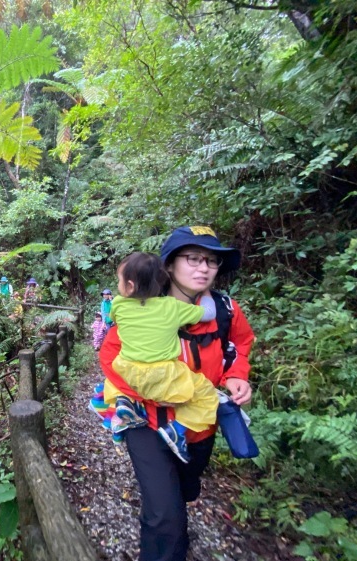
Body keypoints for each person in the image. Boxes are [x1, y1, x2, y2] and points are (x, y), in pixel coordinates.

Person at [99, 226, 254, 561]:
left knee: (182, 493)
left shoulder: (226, 310)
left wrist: (237, 376)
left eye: (212, 262)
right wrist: (155, 393)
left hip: (198, 428)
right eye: (194, 258)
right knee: (166, 516)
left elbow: (240, 344)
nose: (204, 268)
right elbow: (110, 358)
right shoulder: (139, 308)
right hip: (147, 423)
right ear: (168, 266)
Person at [107, 252, 219, 462]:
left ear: (130, 286)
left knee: (114, 369)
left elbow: (115, 320)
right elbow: (209, 313)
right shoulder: (171, 306)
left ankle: (124, 402)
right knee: (206, 394)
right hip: (163, 375)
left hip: (128, 370)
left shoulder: (118, 305)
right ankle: (177, 430)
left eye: (119, 280)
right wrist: (206, 294)